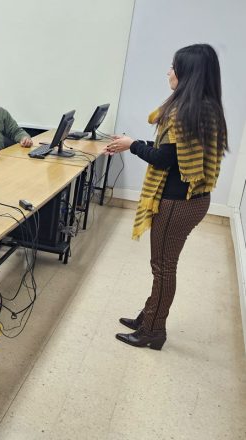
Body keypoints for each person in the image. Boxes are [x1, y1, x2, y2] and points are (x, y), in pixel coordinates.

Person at [103, 44, 228, 350]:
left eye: (173, 66)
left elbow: (164, 160)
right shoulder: (205, 108)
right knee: (163, 265)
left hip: (178, 201)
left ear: (187, 73)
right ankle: (149, 316)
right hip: (194, 198)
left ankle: (153, 332)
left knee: (162, 267)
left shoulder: (184, 113)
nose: (168, 72)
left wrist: (132, 145)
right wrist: (131, 143)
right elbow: (172, 153)